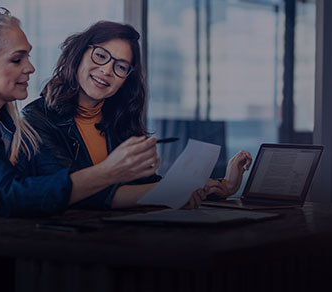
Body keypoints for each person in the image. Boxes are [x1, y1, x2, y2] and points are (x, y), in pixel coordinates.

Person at [0, 7, 233, 218]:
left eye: (121, 67)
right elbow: (17, 195)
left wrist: (198, 187)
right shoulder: (27, 121)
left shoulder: (12, 126)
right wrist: (110, 172)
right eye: (17, 59)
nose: (31, 68)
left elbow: (47, 189)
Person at [22, 20, 252, 210]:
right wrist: (172, 192)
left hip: (124, 238)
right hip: (65, 248)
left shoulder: (119, 120)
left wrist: (221, 185)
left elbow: (146, 186)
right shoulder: (37, 119)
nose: (107, 70)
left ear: (126, 80)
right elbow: (72, 192)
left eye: (121, 66)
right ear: (79, 54)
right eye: (101, 56)